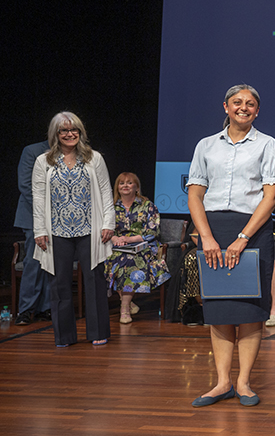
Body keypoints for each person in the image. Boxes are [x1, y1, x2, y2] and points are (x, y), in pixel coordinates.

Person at [187, 84, 275, 407]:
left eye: (251, 104)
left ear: (257, 110)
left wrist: (243, 237)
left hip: (252, 230)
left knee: (249, 310)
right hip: (213, 230)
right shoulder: (205, 146)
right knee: (219, 308)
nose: (244, 107)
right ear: (225, 106)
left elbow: (270, 197)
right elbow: (195, 195)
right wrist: (207, 237)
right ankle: (222, 382)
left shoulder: (268, 145)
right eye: (237, 102)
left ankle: (244, 383)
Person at [31, 112, 115, 346]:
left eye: (74, 130)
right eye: (64, 131)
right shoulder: (44, 161)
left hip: (91, 229)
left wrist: (108, 222)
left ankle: (98, 332)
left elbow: (106, 191)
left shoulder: (94, 158)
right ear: (55, 134)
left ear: (80, 132)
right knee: (59, 284)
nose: (70, 134)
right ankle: (64, 335)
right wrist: (39, 229)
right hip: (57, 231)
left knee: (95, 281)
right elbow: (38, 197)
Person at [104, 172, 171, 324]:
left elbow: (153, 231)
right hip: (117, 246)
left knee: (129, 260)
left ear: (136, 187)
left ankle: (124, 308)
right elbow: (105, 228)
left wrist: (129, 239)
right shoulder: (111, 207)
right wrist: (115, 238)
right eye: (122, 183)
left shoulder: (148, 206)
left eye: (129, 183)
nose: (125, 186)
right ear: (117, 187)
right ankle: (128, 304)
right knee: (117, 260)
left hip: (144, 246)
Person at [14, 140, 51, 325]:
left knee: (53, 263)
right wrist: (44, 211)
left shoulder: (70, 153)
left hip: (59, 219)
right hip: (32, 215)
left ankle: (45, 308)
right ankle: (26, 309)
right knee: (34, 261)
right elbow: (26, 185)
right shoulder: (32, 151)